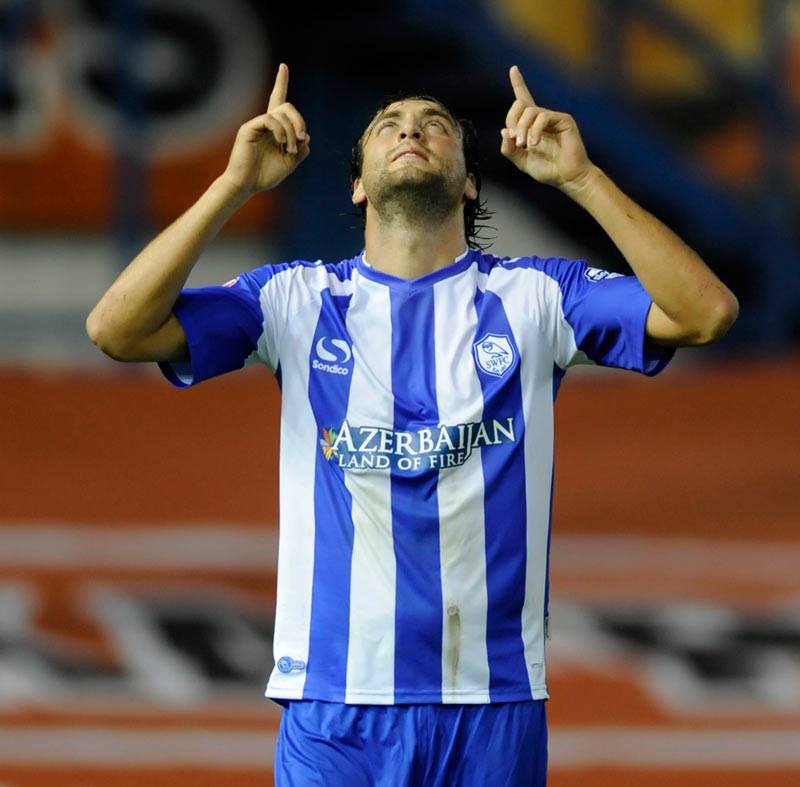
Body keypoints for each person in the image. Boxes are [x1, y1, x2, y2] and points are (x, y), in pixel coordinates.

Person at [86, 62, 739, 785]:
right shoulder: (295, 301)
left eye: (434, 125)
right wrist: (232, 186)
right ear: (358, 184)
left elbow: (704, 313)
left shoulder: (535, 298)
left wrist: (584, 180)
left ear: (469, 183)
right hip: (334, 705)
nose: (410, 131)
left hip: (490, 703)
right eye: (388, 125)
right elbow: (117, 328)